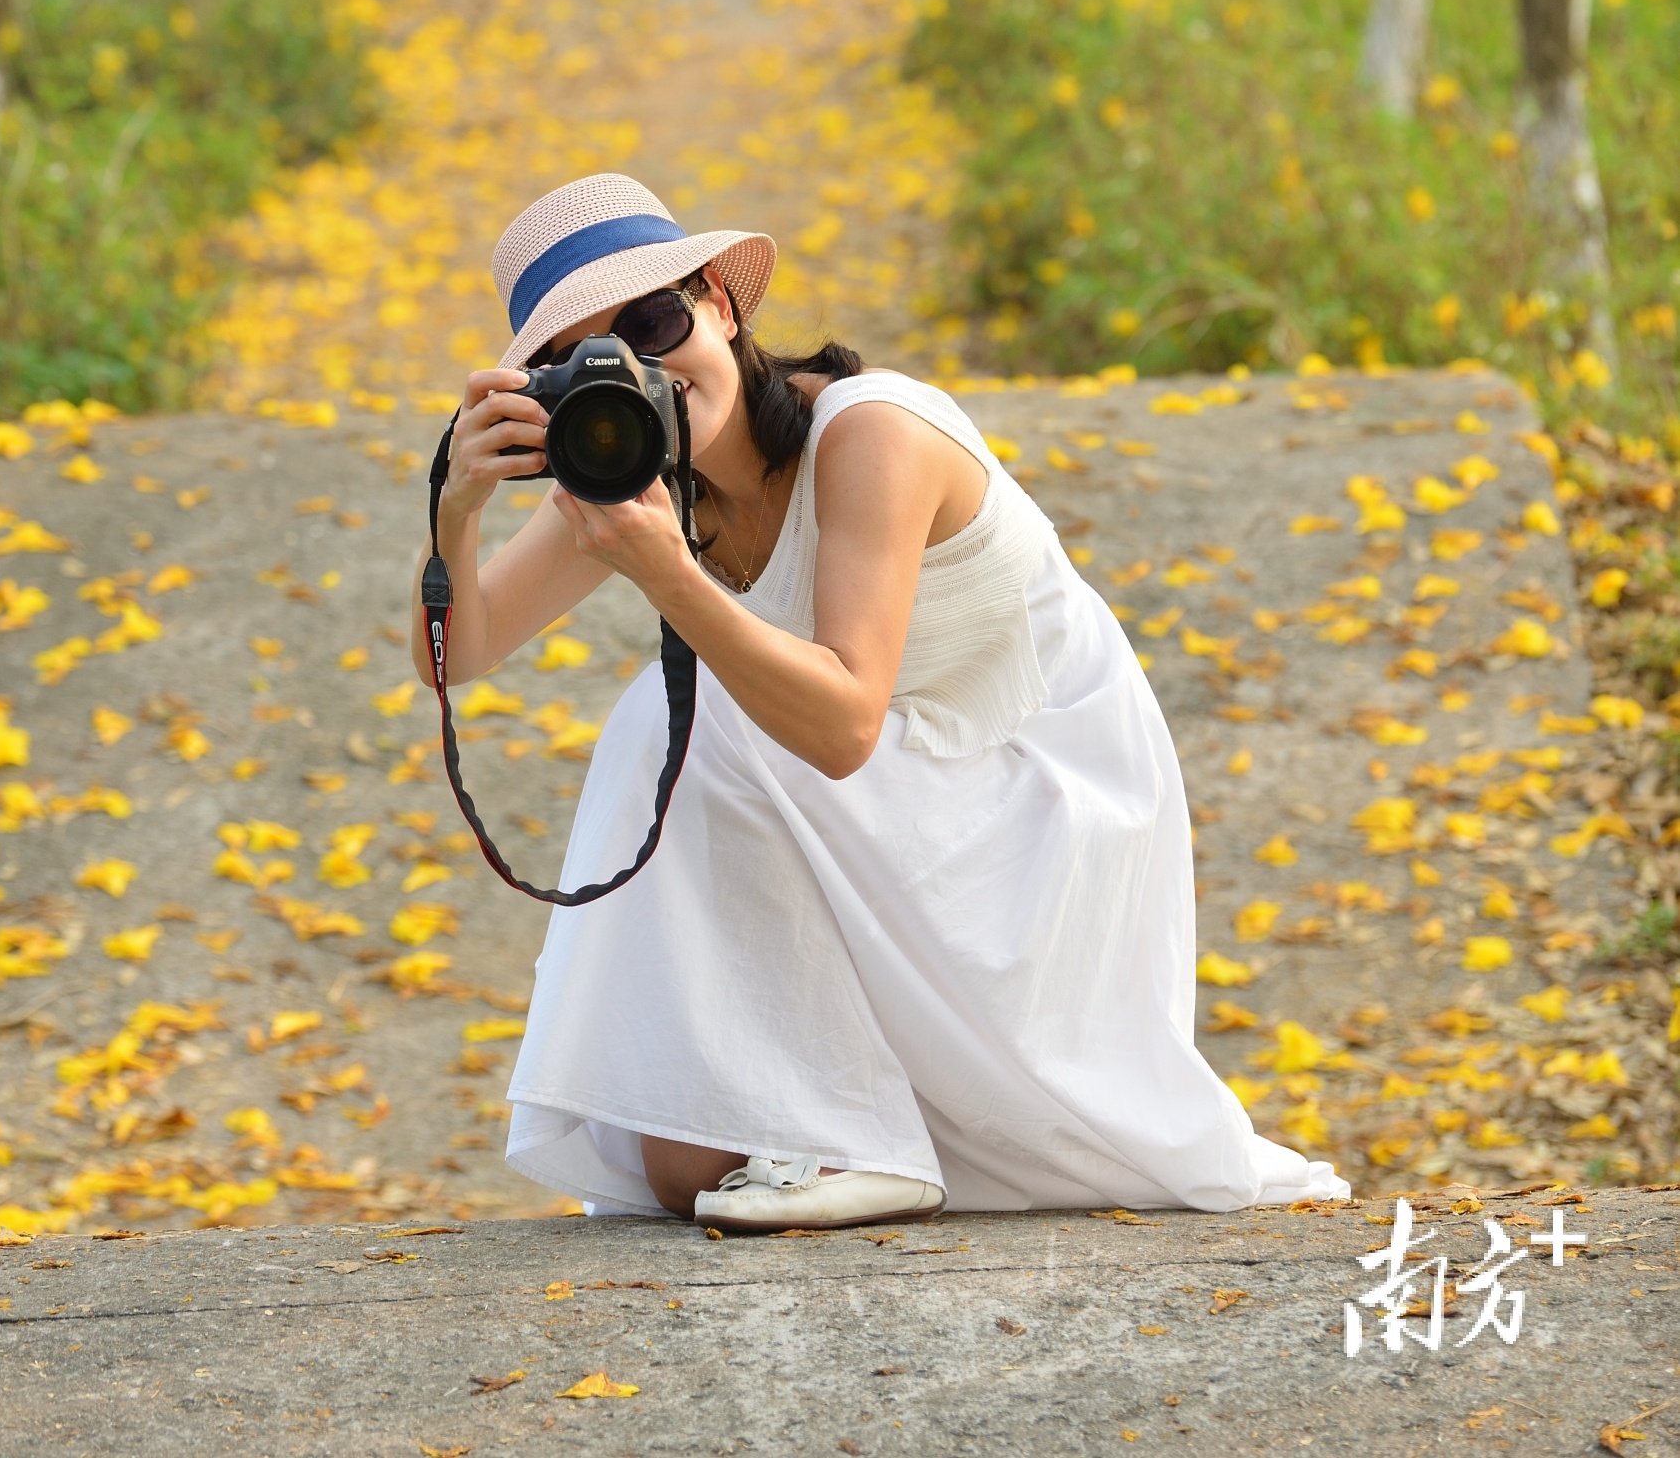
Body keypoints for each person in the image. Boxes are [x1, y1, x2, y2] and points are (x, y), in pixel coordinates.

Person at [410, 170, 1351, 1233]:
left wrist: (665, 573)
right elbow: (461, 652)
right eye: (583, 360)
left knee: (682, 708)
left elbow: (846, 724)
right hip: (896, 810)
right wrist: (458, 510)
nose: (640, 365)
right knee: (677, 1159)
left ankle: (860, 1139)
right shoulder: (632, 466)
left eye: (655, 320)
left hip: (1033, 808)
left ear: (721, 303)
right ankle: (850, 1129)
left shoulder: (870, 434)